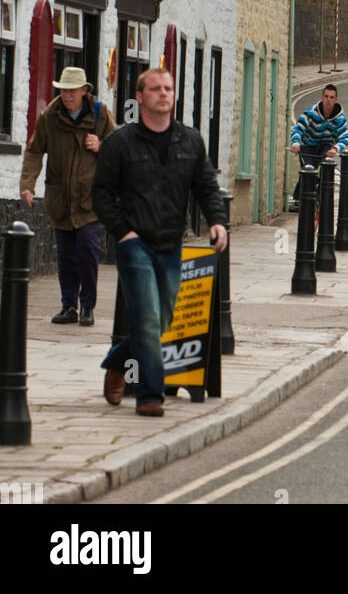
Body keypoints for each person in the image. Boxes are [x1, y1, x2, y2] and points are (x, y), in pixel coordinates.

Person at [92, 68, 227, 418]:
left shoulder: (191, 141)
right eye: (155, 89)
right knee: (149, 320)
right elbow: (101, 194)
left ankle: (117, 361)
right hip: (134, 242)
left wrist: (217, 221)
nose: (164, 94)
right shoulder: (120, 143)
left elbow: (206, 187)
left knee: (161, 321)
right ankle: (150, 396)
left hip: (170, 243)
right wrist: (123, 232)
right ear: (140, 96)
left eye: (168, 88)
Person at [19, 66, 116, 327]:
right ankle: (68, 306)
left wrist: (101, 146)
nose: (67, 95)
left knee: (87, 251)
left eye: (72, 90)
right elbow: (34, 151)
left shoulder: (99, 114)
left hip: (89, 199)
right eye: (63, 90)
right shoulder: (50, 116)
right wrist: (27, 184)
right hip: (60, 198)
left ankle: (87, 307)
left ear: (84, 90)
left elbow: (120, 148)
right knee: (66, 256)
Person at [288, 83, 348, 211]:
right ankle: (298, 199)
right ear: (322, 98)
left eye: (332, 97)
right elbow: (298, 129)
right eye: (326, 96)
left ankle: (321, 199)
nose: (328, 100)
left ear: (336, 100)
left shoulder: (340, 118)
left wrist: (335, 149)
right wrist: (295, 143)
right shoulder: (311, 113)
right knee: (308, 170)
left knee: (326, 170)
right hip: (308, 145)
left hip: (325, 146)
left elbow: (344, 138)